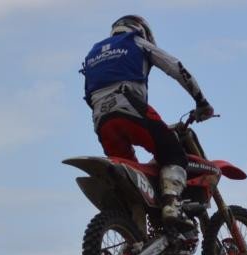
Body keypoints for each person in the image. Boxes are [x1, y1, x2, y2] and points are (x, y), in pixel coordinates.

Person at [80, 15, 214, 227]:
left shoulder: (92, 55)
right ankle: (171, 203)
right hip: (130, 108)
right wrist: (201, 102)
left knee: (130, 185)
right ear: (141, 29)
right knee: (173, 153)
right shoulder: (136, 41)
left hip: (102, 121)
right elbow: (175, 67)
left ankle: (135, 236)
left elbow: (88, 95)